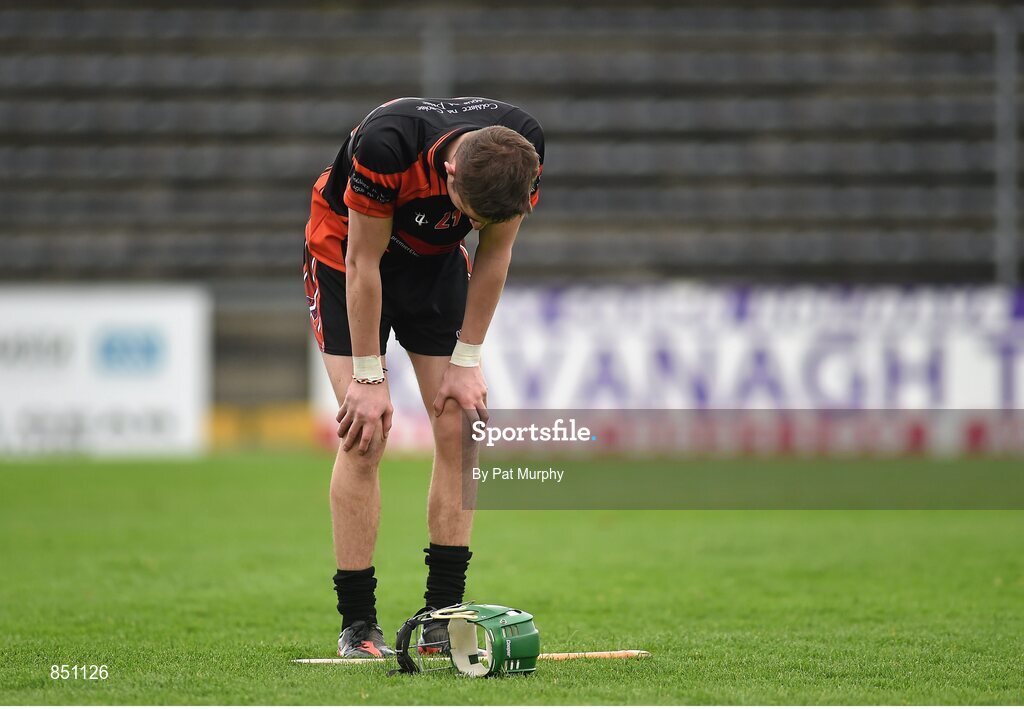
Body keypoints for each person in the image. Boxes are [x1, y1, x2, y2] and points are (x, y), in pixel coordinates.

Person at [302, 97, 544, 658]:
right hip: (347, 259)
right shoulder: (387, 144)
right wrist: (367, 376)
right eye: (469, 212)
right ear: (451, 172)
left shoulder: (521, 149)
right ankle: (358, 625)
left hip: (433, 266)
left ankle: (442, 615)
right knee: (365, 434)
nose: (476, 225)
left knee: (461, 428)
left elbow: (494, 255)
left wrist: (466, 361)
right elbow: (365, 262)